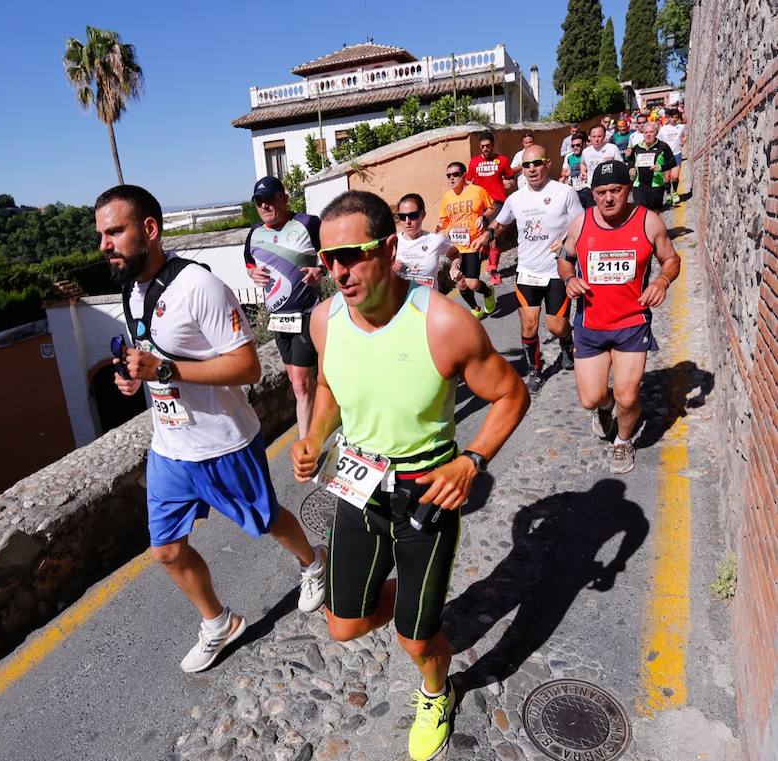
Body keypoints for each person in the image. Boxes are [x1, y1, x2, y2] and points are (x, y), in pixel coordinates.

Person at [291, 190, 529, 761]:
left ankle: (436, 689)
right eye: (327, 259)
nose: (338, 271)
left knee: (415, 639)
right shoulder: (325, 320)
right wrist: (315, 438)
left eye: (351, 254)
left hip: (427, 489)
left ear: (391, 248)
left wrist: (471, 460)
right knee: (344, 627)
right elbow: (328, 389)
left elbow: (510, 394)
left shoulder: (443, 322)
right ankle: (410, 597)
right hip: (358, 484)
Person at [97, 184, 327, 674]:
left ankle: (314, 564)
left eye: (114, 231)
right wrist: (130, 374)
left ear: (150, 230)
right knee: (166, 549)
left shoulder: (199, 286)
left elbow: (247, 368)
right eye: (101, 234)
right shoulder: (132, 289)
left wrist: (162, 371)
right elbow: (153, 355)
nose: (105, 244)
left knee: (266, 520)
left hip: (223, 442)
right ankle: (219, 623)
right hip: (170, 447)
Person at [557, 162, 681, 474]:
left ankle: (622, 442)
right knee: (591, 398)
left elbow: (670, 259)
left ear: (628, 189)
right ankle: (604, 407)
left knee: (629, 397)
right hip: (590, 325)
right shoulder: (581, 223)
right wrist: (569, 279)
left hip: (631, 323)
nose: (609, 198)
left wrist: (662, 282)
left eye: (616, 190)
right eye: (601, 192)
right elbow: (564, 258)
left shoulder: (647, 222)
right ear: (592, 194)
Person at [476, 144, 583, 394]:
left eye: (537, 163)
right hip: (528, 272)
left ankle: (566, 342)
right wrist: (487, 235)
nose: (532, 169)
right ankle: (534, 370)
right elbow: (501, 223)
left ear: (548, 164)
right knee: (529, 325)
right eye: (527, 165)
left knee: (557, 325)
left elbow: (581, 224)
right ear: (521, 169)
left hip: (558, 271)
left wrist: (567, 243)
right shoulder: (516, 199)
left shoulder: (565, 193)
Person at [244, 176, 322, 437]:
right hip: (278, 319)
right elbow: (249, 264)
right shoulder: (254, 234)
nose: (265, 206)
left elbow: (334, 256)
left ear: (285, 198)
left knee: (300, 384)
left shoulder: (308, 224)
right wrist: (252, 275)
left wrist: (320, 270)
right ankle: (323, 410)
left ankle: (306, 445)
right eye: (259, 202)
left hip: (307, 313)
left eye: (270, 199)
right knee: (297, 382)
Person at [438, 161, 498, 317]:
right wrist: (440, 227)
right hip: (456, 247)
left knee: (472, 283)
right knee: (460, 281)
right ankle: (475, 308)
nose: (452, 178)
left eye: (455, 174)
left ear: (464, 175)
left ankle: (487, 292)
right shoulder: (447, 197)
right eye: (448, 175)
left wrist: (483, 217)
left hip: (473, 244)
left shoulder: (477, 191)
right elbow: (444, 220)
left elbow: (492, 206)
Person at [465, 130, 514, 285]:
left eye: (487, 146)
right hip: (479, 206)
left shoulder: (502, 160)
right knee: (479, 237)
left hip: (496, 203)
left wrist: (508, 184)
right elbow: (468, 181)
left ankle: (493, 269)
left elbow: (511, 180)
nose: (485, 149)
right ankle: (478, 266)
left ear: (492, 145)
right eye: (482, 146)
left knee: (493, 238)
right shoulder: (474, 162)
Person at [394, 192, 460, 289]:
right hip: (404, 303)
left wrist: (454, 267)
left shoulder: (436, 240)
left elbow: (455, 253)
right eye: (402, 217)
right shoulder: (392, 243)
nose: (407, 222)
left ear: (422, 215)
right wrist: (389, 268)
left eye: (413, 216)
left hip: (430, 302)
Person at [627, 122, 676, 211]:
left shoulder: (663, 146)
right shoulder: (637, 148)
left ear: (656, 133)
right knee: (640, 211)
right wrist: (630, 169)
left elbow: (672, 162)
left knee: (654, 213)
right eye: (646, 132)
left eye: (651, 132)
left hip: (656, 185)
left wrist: (661, 167)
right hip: (639, 185)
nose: (648, 135)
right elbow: (630, 161)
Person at [657, 109, 687, 205]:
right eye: (672, 117)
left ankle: (674, 192)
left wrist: (683, 141)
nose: (674, 119)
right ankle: (668, 194)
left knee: (674, 177)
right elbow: (659, 142)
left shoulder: (681, 127)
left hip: (676, 154)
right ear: (668, 118)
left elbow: (686, 135)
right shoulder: (663, 129)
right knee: (666, 178)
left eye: (676, 118)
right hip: (666, 156)